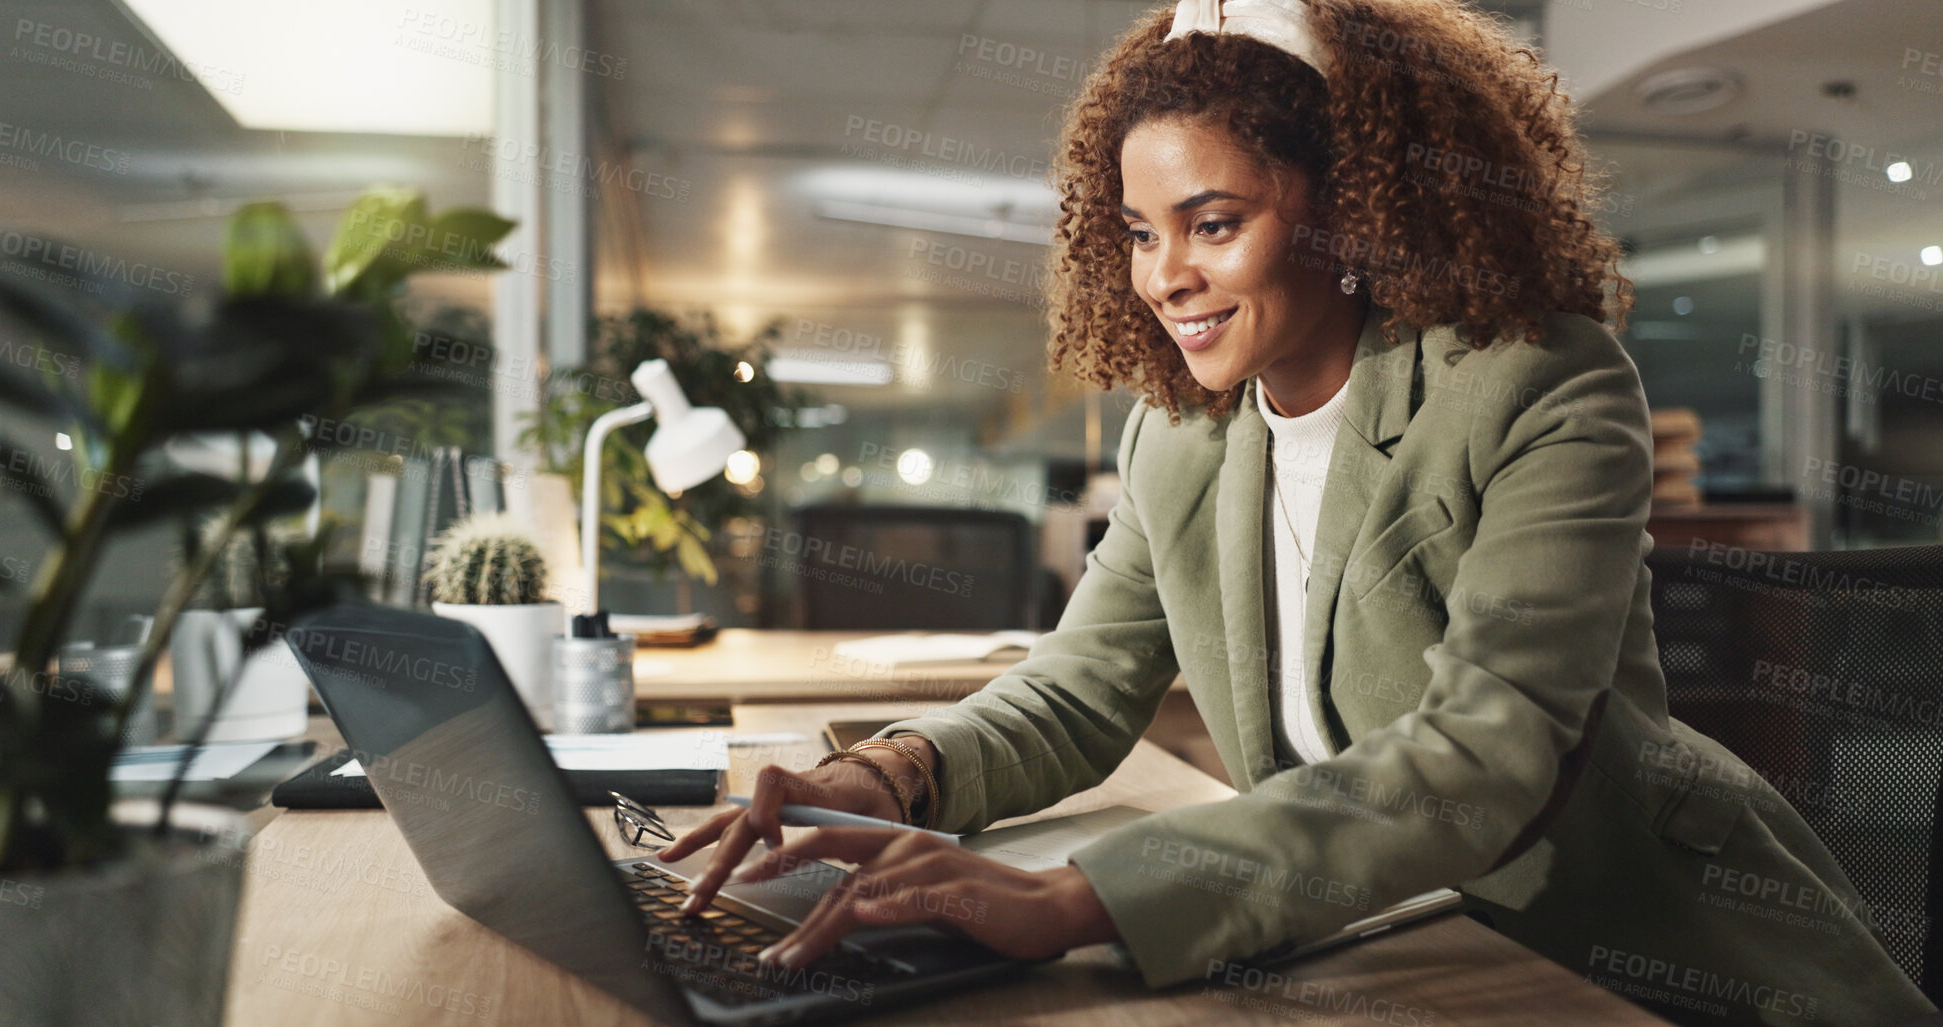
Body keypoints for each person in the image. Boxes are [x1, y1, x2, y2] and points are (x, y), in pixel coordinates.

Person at [661, 2, 1937, 1022]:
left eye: (1213, 223)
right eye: (1141, 234)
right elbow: (1078, 686)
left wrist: (1077, 896)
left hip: (1632, 954)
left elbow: (1482, 755)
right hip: (1385, 946)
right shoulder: (1182, 431)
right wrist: (884, 776)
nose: (1168, 277)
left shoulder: (1543, 381)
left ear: (1350, 202)